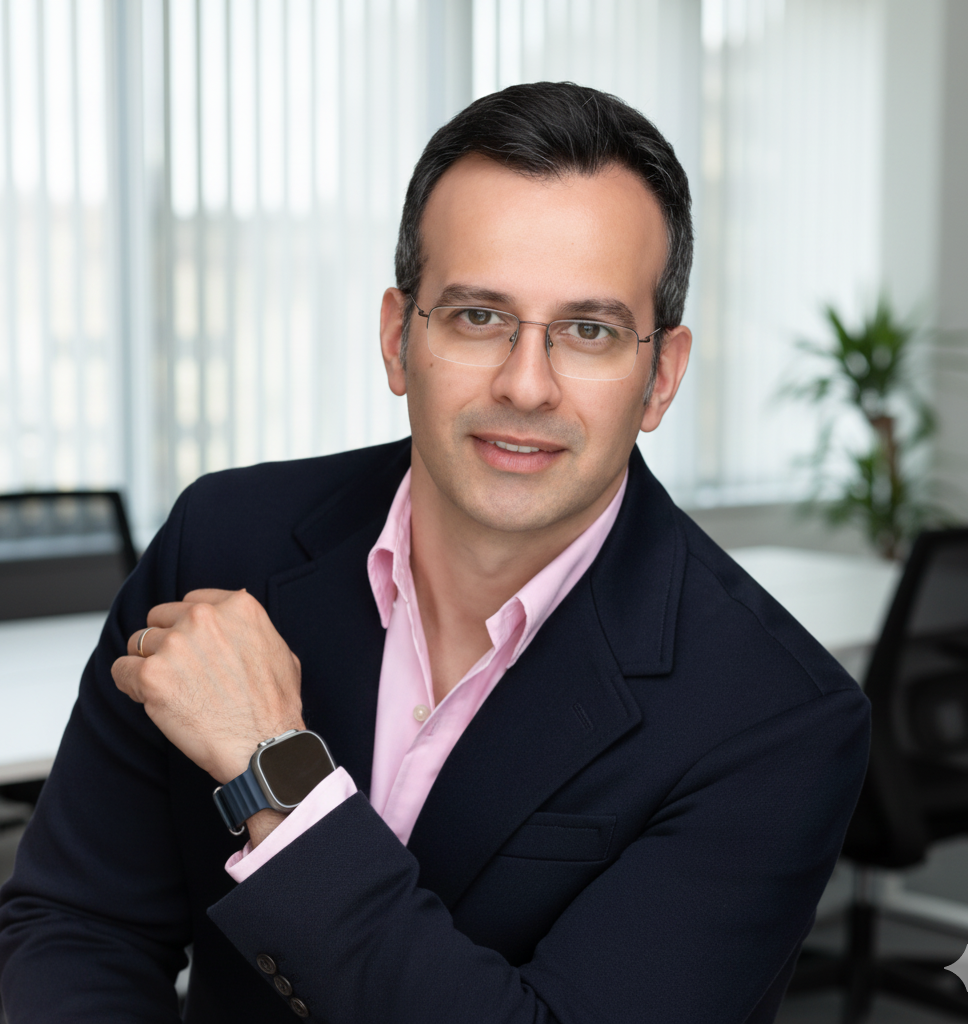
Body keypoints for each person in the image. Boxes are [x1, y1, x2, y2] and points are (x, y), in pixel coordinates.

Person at [0, 82, 869, 1023]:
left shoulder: (775, 720)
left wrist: (277, 774)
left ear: (659, 377)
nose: (526, 386)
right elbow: (76, 923)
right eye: (477, 316)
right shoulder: (223, 539)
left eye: (589, 330)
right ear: (396, 339)